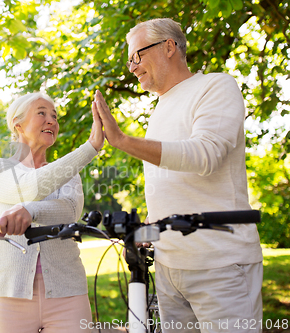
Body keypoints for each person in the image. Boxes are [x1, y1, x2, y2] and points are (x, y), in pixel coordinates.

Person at [93, 18, 263, 332]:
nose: (132, 67)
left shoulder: (215, 85)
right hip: (170, 268)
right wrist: (152, 222)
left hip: (220, 264)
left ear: (169, 47)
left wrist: (123, 141)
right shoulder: (159, 110)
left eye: (137, 56)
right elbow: (175, 183)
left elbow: (205, 155)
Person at [0, 92, 104, 332]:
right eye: (41, 113)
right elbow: (28, 186)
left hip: (68, 294)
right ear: (18, 125)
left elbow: (68, 212)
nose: (52, 121)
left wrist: (30, 210)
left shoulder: (68, 172)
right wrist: (90, 148)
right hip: (10, 297)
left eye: (54, 117)